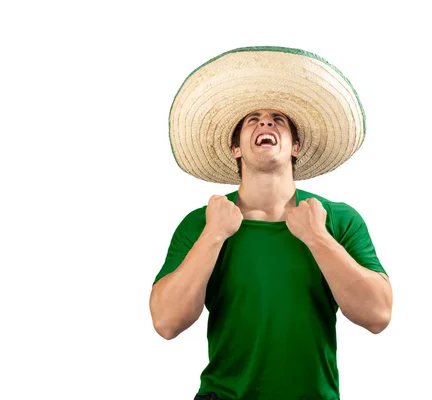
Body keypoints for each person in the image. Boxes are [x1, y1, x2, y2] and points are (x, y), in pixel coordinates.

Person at [149, 47, 393, 400]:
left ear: (296, 147)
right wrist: (214, 234)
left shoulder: (339, 220)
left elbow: (378, 315)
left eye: (278, 119)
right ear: (236, 148)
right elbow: (167, 323)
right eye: (254, 119)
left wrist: (317, 238)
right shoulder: (201, 224)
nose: (266, 122)